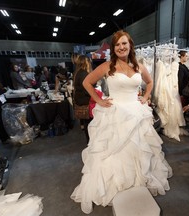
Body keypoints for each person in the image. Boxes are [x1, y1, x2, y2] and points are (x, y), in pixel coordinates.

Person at [71, 30, 172, 214]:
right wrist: (100, 100)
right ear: (113, 48)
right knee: (115, 150)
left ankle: (138, 181)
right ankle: (118, 184)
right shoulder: (107, 66)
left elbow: (149, 83)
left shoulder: (138, 66)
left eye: (124, 43)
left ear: (130, 45)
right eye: (117, 45)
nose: (121, 47)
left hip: (136, 113)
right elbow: (87, 82)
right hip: (115, 113)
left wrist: (146, 97)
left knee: (138, 148)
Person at [73, 55, 93, 142]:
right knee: (89, 123)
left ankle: (88, 140)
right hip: (85, 100)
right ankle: (90, 141)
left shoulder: (77, 72)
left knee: (86, 122)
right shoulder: (84, 73)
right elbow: (87, 89)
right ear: (86, 62)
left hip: (80, 100)